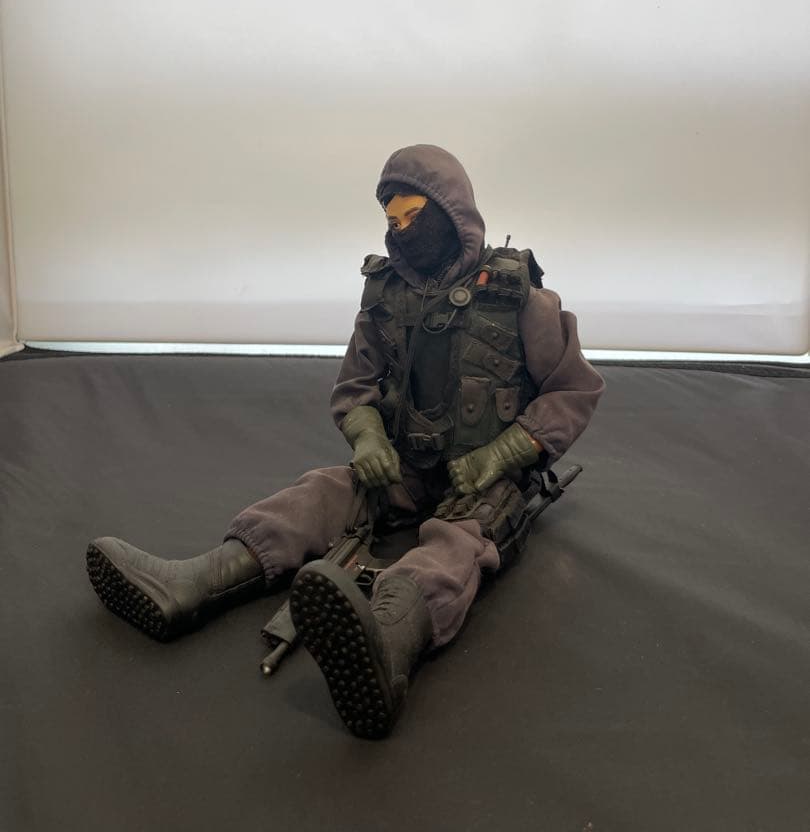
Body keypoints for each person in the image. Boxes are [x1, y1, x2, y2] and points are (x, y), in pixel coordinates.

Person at [87, 143, 605, 738]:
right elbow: (355, 387)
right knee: (323, 491)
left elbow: (575, 389)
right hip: (405, 463)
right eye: (393, 220)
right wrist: (368, 440)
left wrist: (503, 454)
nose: (404, 231)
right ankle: (195, 582)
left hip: (482, 481)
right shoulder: (386, 296)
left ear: (453, 212)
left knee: (457, 544)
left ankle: (386, 639)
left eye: (415, 216)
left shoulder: (519, 300)